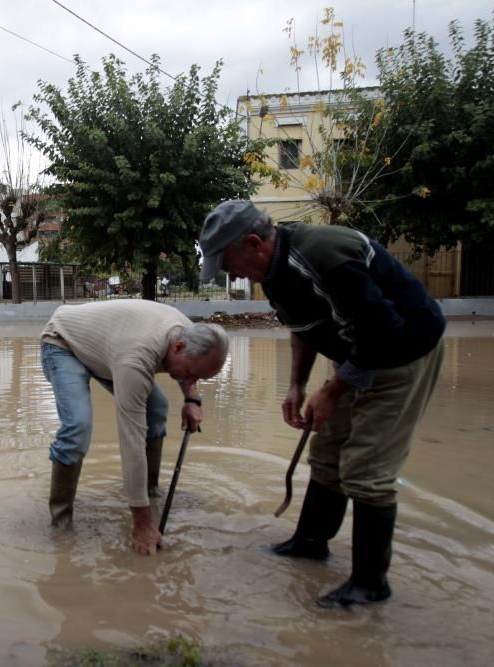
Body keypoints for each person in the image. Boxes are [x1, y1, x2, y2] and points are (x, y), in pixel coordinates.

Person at [199, 200, 445, 608]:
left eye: (228, 264)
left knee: (366, 467)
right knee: (327, 448)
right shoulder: (274, 273)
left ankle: (370, 585)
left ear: (255, 243)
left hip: (403, 350)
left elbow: (384, 331)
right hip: (357, 350)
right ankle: (311, 543)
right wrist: (296, 384)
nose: (232, 275)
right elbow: (304, 328)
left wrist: (332, 390)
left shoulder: (323, 256)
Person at [41, 300, 229, 555]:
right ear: (178, 347)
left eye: (199, 378)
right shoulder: (136, 357)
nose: (191, 380)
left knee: (157, 409)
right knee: (78, 427)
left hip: (107, 349)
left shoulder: (188, 331)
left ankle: (149, 493)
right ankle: (61, 525)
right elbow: (131, 442)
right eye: (191, 373)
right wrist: (141, 523)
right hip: (64, 343)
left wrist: (192, 399)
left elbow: (190, 368)